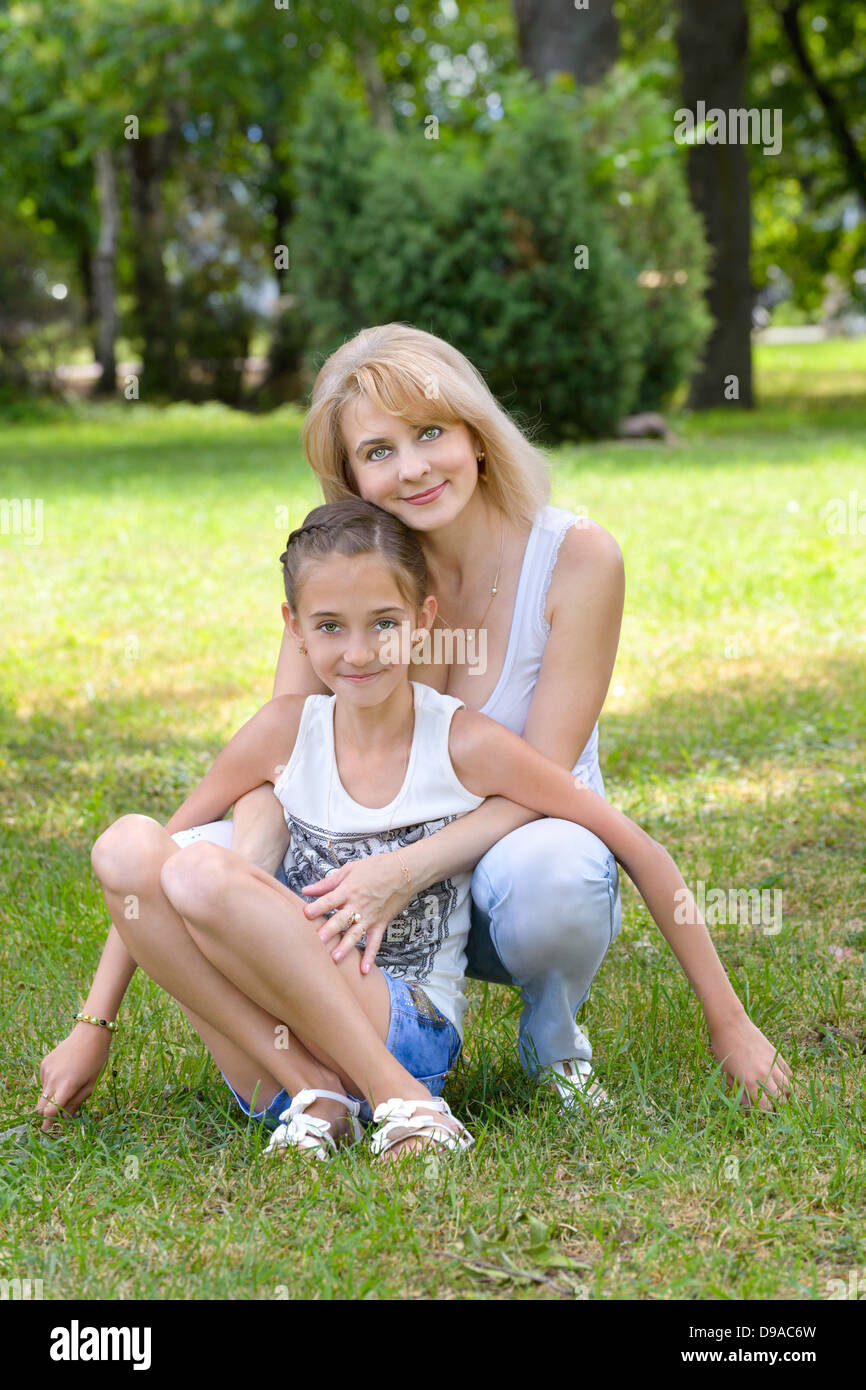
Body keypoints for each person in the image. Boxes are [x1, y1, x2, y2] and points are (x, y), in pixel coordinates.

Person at [41, 500, 792, 1161]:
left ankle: (408, 1100)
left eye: (384, 625)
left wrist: (729, 1023)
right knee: (130, 844)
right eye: (330, 627)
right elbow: (132, 883)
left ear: (425, 621)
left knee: (203, 873)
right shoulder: (280, 733)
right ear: (293, 628)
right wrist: (94, 1024)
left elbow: (637, 847)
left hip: (407, 1027)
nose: (359, 653)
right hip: (280, 1055)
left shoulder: (461, 743)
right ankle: (320, 1101)